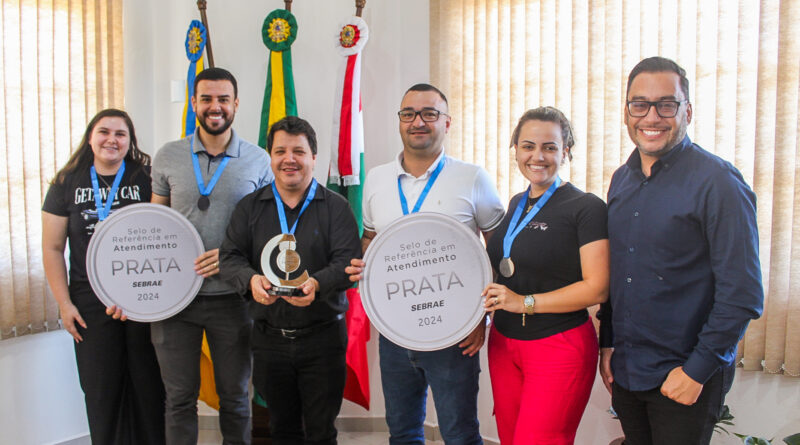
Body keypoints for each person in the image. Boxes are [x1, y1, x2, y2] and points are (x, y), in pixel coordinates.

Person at [597, 56, 764, 445]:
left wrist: (696, 371)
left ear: (687, 111)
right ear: (626, 112)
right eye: (639, 104)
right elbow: (620, 272)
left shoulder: (718, 182)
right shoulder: (621, 180)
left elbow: (742, 294)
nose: (651, 117)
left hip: (685, 374)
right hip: (628, 369)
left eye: (666, 105)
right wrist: (608, 343)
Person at [346, 83, 505, 445]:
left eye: (429, 113)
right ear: (399, 122)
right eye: (409, 114)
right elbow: (371, 240)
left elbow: (497, 254)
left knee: (460, 434)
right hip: (395, 332)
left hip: (454, 335)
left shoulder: (472, 177)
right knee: (402, 433)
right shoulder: (376, 179)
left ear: (446, 123)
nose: (418, 122)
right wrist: (363, 267)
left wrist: (483, 318)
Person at [147, 67, 273, 445]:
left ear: (236, 104)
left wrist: (231, 258)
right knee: (179, 400)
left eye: (223, 99)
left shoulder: (258, 160)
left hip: (233, 301)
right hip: (176, 302)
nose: (214, 107)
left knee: (235, 399)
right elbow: (155, 226)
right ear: (194, 103)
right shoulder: (168, 156)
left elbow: (267, 230)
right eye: (206, 99)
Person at [219, 116, 360, 444]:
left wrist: (318, 284)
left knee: (322, 432)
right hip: (269, 341)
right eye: (280, 151)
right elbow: (229, 258)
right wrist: (251, 280)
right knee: (281, 430)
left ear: (313, 157)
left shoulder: (336, 208)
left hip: (323, 339)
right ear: (270, 157)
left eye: (299, 150)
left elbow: (347, 263)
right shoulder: (250, 207)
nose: (289, 159)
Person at [481, 106, 609, 444]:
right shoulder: (515, 203)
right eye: (528, 146)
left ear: (565, 152)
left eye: (549, 147)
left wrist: (524, 303)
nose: (538, 156)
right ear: (516, 151)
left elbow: (597, 288)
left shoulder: (587, 208)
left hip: (558, 346)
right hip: (504, 344)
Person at [41, 108, 165, 444]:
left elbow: (165, 235)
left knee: (149, 388)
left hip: (141, 298)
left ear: (130, 141)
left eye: (120, 134)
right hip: (89, 303)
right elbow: (53, 248)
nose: (112, 139)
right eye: (104, 132)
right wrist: (64, 305)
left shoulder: (147, 178)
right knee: (100, 390)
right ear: (91, 137)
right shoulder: (67, 182)